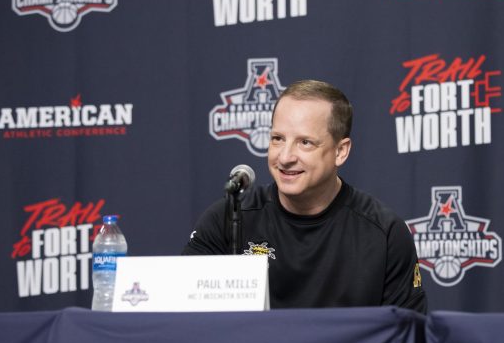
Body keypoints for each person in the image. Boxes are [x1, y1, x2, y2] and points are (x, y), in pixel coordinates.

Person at [182, 80, 426, 312]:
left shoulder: (385, 234)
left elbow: (407, 339)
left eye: (305, 142)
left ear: (340, 151)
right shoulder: (229, 219)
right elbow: (182, 314)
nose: (285, 157)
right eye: (278, 139)